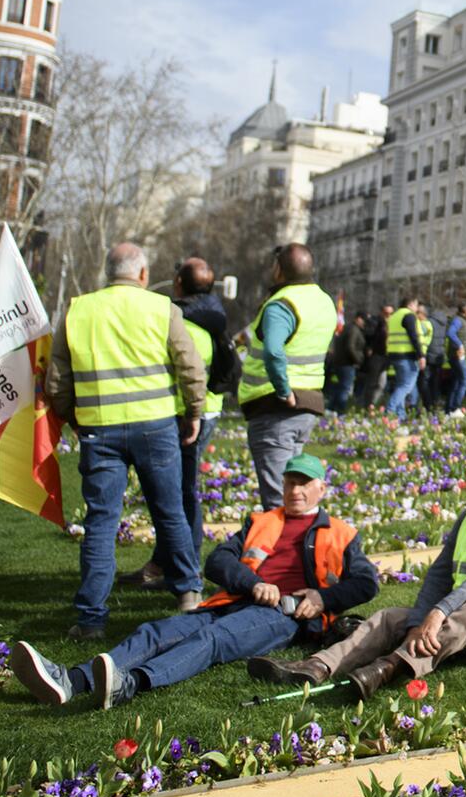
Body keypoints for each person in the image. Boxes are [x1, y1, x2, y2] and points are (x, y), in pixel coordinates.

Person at [9, 453, 378, 708]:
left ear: (321, 489)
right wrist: (252, 583)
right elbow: (217, 561)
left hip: (283, 615)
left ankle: (130, 684)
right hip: (236, 598)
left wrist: (322, 597)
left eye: (304, 483)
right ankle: (70, 681)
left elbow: (367, 583)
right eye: (290, 482)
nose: (295, 490)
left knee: (211, 640)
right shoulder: (262, 520)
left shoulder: (342, 533)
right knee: (154, 631)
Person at [250, 439, 466, 697]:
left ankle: (388, 667)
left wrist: (440, 611)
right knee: (390, 617)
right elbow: (440, 573)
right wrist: (419, 620)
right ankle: (317, 666)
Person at [46, 242, 206, 638]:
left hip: (99, 429)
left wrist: (71, 416)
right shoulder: (161, 307)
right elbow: (189, 364)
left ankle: (91, 618)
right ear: (144, 274)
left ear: (107, 272)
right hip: (156, 427)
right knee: (169, 511)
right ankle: (188, 593)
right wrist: (195, 411)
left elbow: (56, 379)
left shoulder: (78, 309)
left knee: (101, 523)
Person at [128, 258, 238, 589]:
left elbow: (187, 373)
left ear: (178, 284)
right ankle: (167, 562)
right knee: (177, 492)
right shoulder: (212, 314)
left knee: (179, 495)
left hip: (186, 415)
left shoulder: (184, 322)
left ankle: (181, 567)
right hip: (206, 411)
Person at [236, 244, 334, 510]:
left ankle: (284, 550)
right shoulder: (324, 301)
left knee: (279, 499)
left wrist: (282, 389)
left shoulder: (282, 304)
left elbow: (273, 350)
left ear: (279, 270)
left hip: (275, 407)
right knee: (295, 494)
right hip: (307, 405)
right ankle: (299, 549)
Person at [383, 295, 425, 418]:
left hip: (394, 355)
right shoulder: (409, 315)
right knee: (406, 385)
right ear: (410, 304)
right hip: (406, 355)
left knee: (400, 385)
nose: (417, 308)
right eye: (416, 305)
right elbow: (413, 336)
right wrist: (421, 355)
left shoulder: (394, 316)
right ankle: (389, 410)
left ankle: (400, 415)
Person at [325, 310, 368, 414]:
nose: (365, 324)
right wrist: (358, 360)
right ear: (358, 319)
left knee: (339, 387)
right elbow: (350, 347)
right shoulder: (354, 330)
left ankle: (331, 408)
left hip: (341, 362)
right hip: (347, 363)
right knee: (344, 388)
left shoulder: (347, 328)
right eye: (364, 321)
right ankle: (340, 410)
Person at [444, 303, 466, 414]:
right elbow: (451, 333)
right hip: (457, 355)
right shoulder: (458, 320)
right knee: (465, 382)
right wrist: (460, 345)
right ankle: (455, 407)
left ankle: (449, 409)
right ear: (464, 311)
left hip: (461, 355)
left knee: (457, 382)